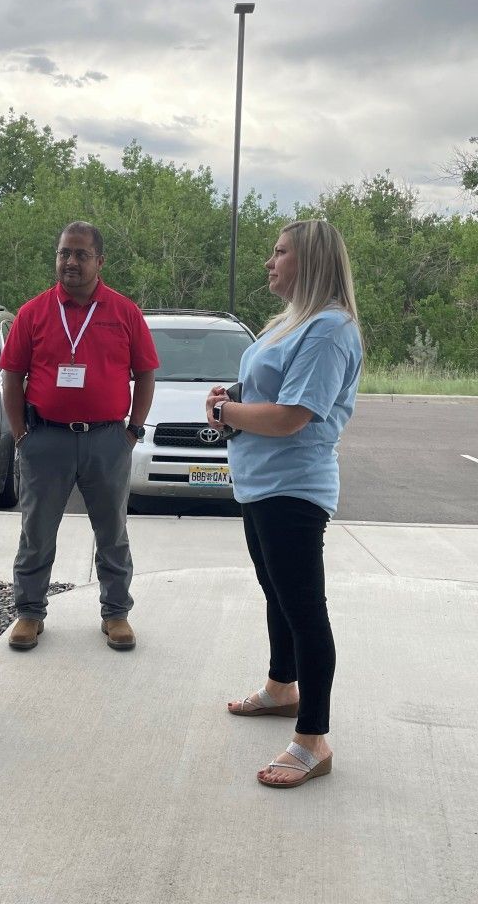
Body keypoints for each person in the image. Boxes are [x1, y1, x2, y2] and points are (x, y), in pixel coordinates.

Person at [206, 219, 362, 789]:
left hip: (293, 488)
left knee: (303, 607)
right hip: (260, 482)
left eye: (279, 252)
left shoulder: (328, 330)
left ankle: (312, 738)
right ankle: (281, 687)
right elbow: (268, 395)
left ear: (311, 261)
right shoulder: (289, 323)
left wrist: (228, 414)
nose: (269, 262)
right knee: (276, 591)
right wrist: (233, 398)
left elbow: (293, 416)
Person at [0, 221, 159, 651]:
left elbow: (145, 375)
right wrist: (20, 436)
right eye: (63, 253)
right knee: (36, 530)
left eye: (80, 254)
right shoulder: (33, 312)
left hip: (108, 441)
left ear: (100, 261)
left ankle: (116, 613)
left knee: (112, 531)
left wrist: (132, 431)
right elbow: (12, 377)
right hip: (45, 440)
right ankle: (29, 613)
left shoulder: (125, 313)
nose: (70, 261)